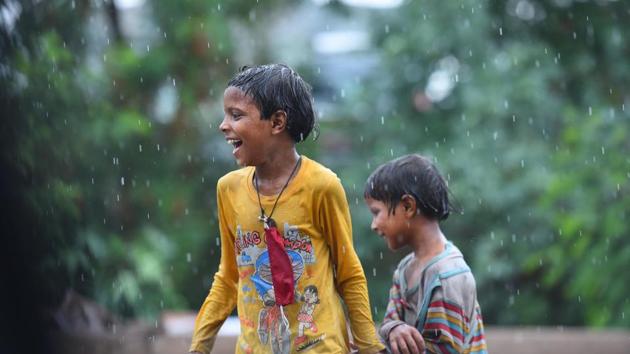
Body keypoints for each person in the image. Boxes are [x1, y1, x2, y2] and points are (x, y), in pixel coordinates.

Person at [189, 64, 385, 354]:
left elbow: (348, 272)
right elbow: (228, 278)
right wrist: (199, 346)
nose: (223, 125)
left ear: (277, 122)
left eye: (236, 115)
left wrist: (370, 346)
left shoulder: (322, 185)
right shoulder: (228, 189)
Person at [364, 154, 487, 354]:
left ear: (408, 206)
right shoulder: (404, 270)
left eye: (376, 212)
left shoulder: (448, 276)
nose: (374, 225)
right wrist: (394, 329)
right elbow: (388, 323)